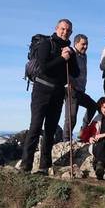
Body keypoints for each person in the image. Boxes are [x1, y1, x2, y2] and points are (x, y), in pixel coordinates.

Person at [21, 19, 79, 174]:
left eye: (68, 30)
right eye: (63, 29)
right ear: (56, 28)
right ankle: (25, 166)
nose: (65, 32)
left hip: (58, 92)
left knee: (50, 129)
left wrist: (70, 56)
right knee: (35, 126)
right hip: (41, 90)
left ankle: (44, 167)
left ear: (71, 33)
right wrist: (62, 58)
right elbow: (43, 67)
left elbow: (75, 73)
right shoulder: (47, 44)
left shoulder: (69, 49)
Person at [63, 34, 97, 142]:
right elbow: (63, 67)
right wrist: (67, 82)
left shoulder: (84, 56)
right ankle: (66, 141)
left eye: (87, 44)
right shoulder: (70, 53)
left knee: (93, 106)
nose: (85, 46)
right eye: (83, 44)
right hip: (71, 89)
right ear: (76, 43)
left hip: (80, 90)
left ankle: (83, 130)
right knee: (71, 117)